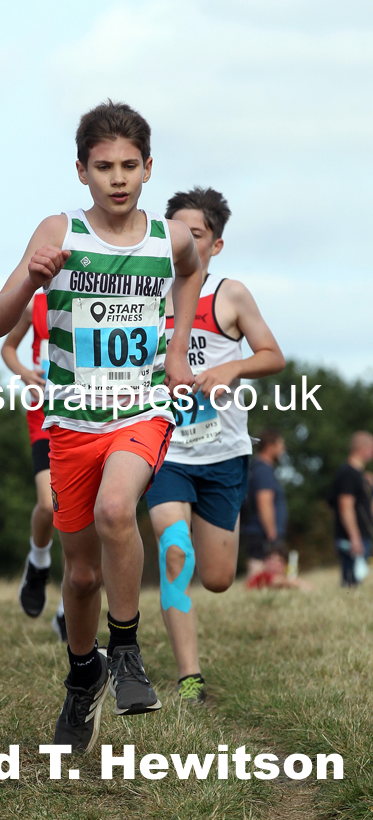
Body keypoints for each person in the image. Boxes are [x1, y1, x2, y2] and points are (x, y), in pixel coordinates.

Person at [0, 100, 202, 752]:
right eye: (103, 166)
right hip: (72, 420)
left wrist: (174, 350)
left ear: (148, 168)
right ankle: (84, 676)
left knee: (117, 510)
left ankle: (128, 652)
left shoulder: (170, 238)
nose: (117, 178)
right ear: (81, 171)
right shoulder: (58, 230)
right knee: (79, 577)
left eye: (129, 166)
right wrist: (31, 278)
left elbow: (189, 270)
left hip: (140, 409)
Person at [146, 188, 285, 705]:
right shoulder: (145, 293)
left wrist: (234, 366)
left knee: (219, 577)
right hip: (163, 449)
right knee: (174, 550)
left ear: (216, 244)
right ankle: (189, 676)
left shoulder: (230, 294)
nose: (184, 241)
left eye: (196, 234)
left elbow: (273, 354)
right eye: (177, 232)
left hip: (223, 454)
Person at [1, 292, 67, 641]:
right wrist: (25, 373)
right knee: (48, 503)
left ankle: (67, 610)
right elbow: (7, 348)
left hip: (89, 410)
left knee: (88, 516)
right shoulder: (34, 304)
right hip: (44, 411)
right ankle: (38, 561)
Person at [241, 429, 288, 577]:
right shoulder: (264, 470)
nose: (283, 449)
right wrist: (272, 535)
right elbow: (264, 503)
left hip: (256, 531)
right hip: (262, 533)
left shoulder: (255, 468)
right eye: (280, 445)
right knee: (259, 572)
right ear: (270, 446)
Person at [330, 431, 373, 586]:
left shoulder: (360, 474)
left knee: (356, 580)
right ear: (362, 448)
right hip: (352, 537)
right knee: (350, 581)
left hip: (361, 534)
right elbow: (345, 506)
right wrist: (355, 537)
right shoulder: (348, 473)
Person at [246, 542, 312, 591]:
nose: (274, 564)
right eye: (271, 559)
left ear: (285, 564)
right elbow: (276, 581)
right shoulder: (261, 576)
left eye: (279, 561)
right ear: (265, 561)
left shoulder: (287, 576)